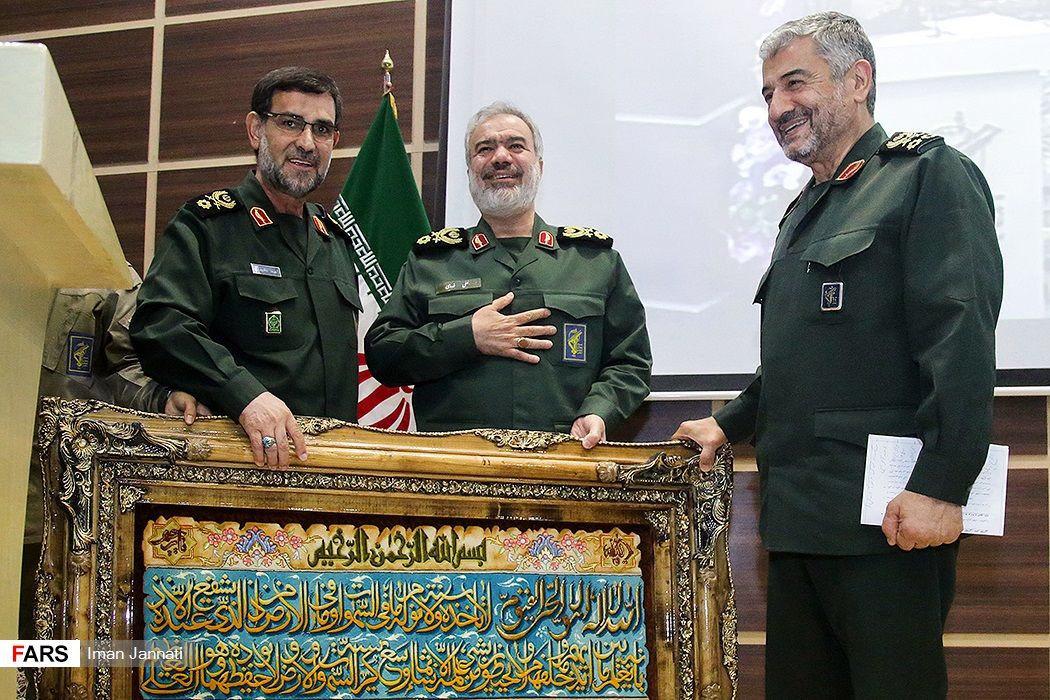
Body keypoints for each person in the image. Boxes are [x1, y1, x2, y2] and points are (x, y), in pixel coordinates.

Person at [672, 12, 1002, 699]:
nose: (777, 107)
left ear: (858, 80)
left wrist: (943, 486)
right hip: (799, 524)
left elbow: (960, 337)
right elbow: (797, 364)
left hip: (889, 524)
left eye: (795, 84)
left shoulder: (925, 175)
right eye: (767, 93)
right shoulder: (805, 209)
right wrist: (727, 425)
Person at [364, 102, 651, 447]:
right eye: (484, 149)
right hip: (457, 468)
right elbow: (383, 354)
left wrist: (600, 411)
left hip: (564, 460)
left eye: (516, 146)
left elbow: (630, 361)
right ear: (470, 169)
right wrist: (467, 336)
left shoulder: (595, 261)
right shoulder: (431, 262)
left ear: (539, 167)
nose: (501, 157)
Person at [131, 67, 361, 469]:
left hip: (332, 468)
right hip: (239, 466)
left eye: (322, 130)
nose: (307, 143)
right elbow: (162, 325)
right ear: (256, 130)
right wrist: (244, 395)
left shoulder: (335, 240)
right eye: (291, 124)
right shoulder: (208, 226)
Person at [25, 269, 208, 637]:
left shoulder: (98, 267)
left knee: (47, 649)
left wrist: (162, 398)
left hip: (55, 504)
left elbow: (127, 366)